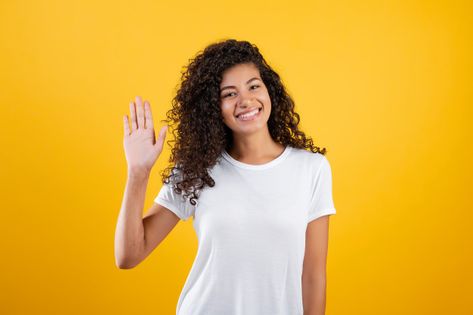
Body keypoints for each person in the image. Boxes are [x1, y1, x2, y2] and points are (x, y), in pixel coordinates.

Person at [115, 39, 337, 315]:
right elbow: (128, 255)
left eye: (254, 86)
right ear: (212, 108)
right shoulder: (197, 169)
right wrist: (138, 173)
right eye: (229, 94)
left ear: (270, 91)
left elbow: (313, 276)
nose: (246, 100)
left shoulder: (311, 169)